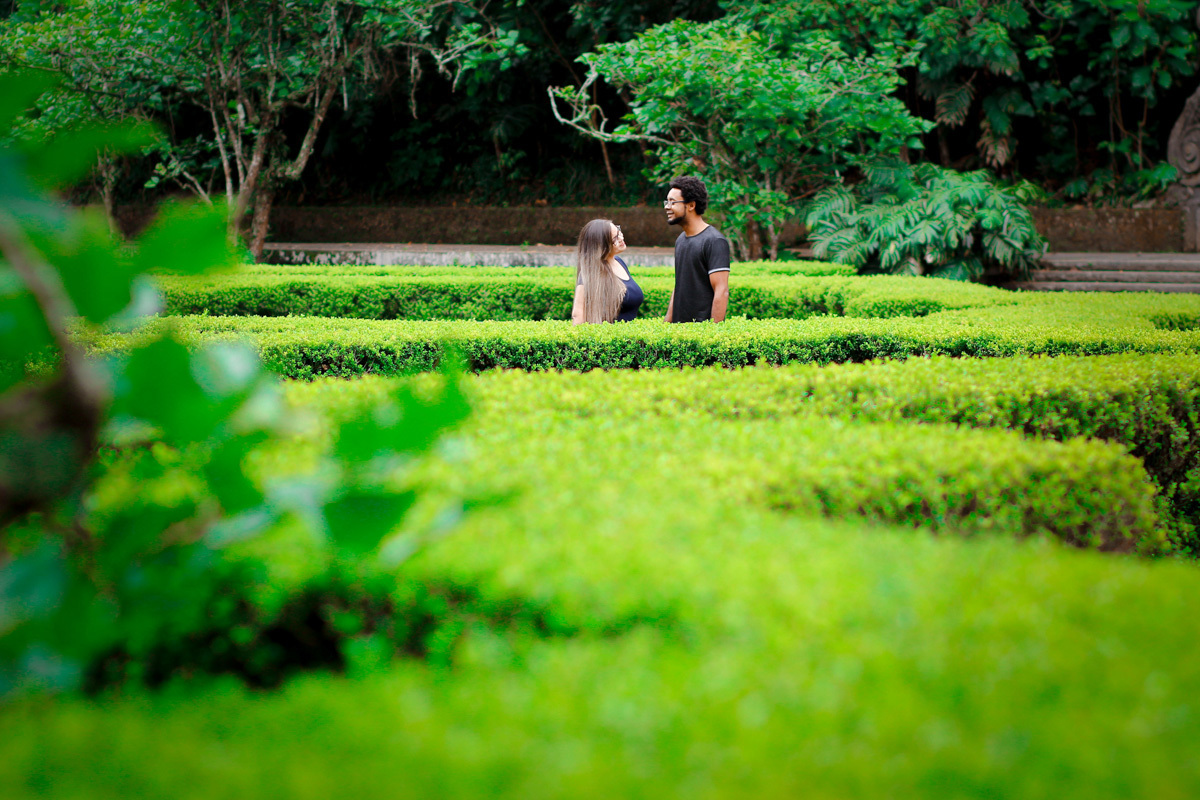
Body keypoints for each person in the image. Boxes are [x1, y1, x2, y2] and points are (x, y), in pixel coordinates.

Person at [663, 176, 730, 323]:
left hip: (701, 333)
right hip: (679, 332)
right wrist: (666, 325)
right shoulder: (681, 240)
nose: (667, 207)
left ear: (691, 205)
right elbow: (679, 287)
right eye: (666, 202)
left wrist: (713, 333)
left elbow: (721, 291)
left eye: (673, 202)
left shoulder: (714, 241)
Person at [572, 219, 644, 324]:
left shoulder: (619, 262)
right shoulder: (591, 273)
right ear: (601, 245)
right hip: (609, 334)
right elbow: (578, 315)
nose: (621, 238)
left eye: (619, 233)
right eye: (615, 238)